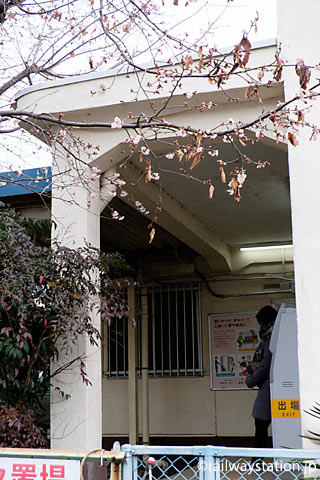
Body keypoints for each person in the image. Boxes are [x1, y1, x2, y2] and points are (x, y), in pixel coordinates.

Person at [241, 305, 278, 453]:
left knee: (261, 425)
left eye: (261, 323)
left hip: (269, 387)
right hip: (271, 386)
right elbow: (263, 363)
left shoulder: (270, 337)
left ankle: (257, 463)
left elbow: (265, 365)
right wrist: (250, 370)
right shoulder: (276, 335)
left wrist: (250, 380)